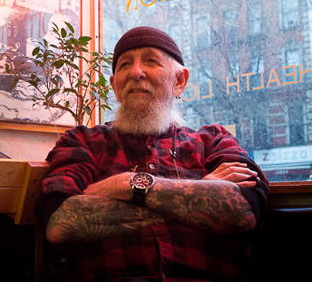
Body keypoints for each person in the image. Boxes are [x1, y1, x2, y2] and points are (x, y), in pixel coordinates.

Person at [37, 26, 269, 281]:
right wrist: (199, 193)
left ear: (179, 81)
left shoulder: (213, 140)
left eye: (151, 61)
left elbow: (244, 212)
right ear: (115, 86)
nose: (136, 72)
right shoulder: (82, 142)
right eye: (125, 64)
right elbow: (60, 224)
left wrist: (130, 186)